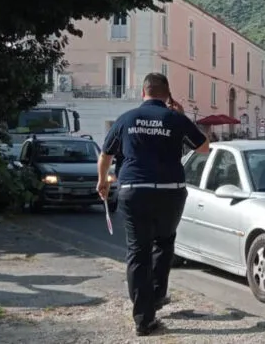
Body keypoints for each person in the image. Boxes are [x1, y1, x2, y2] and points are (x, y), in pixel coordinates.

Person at [96, 73, 209, 336]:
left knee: (138, 251)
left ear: (143, 93)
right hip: (171, 191)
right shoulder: (175, 118)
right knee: (164, 242)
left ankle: (143, 319)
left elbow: (106, 154)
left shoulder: (127, 118)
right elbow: (204, 148)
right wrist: (182, 116)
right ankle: (157, 296)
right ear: (167, 95)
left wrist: (103, 181)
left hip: (134, 190)